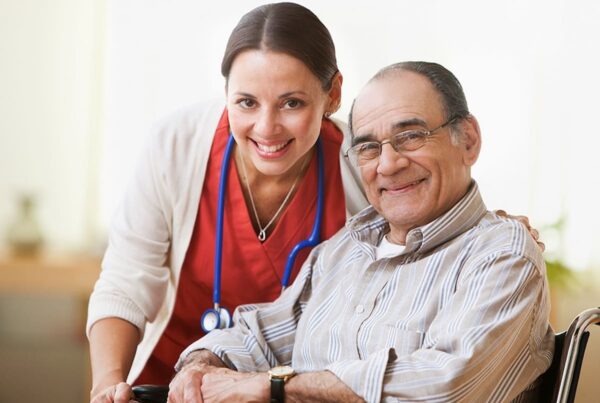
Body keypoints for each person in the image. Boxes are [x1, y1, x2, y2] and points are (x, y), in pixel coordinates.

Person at [87, 3, 542, 402]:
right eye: (245, 102)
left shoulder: (366, 166)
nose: (267, 127)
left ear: (332, 96)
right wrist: (189, 367)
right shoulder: (347, 250)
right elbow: (140, 284)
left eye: (291, 103)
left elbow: (434, 205)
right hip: (186, 383)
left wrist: (274, 384)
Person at [168, 61, 555, 403]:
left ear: (468, 140)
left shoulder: (501, 255)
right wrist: (201, 366)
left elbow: (442, 387)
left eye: (410, 136)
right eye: (369, 147)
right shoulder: (342, 253)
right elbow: (259, 336)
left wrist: (273, 386)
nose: (388, 164)